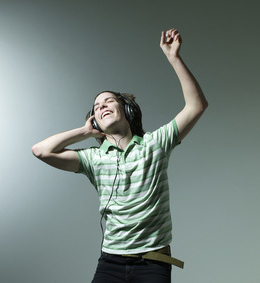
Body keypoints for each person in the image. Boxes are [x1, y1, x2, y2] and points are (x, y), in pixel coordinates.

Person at [32, 28, 208, 283]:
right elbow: (41, 151)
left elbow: (196, 106)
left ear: (127, 110)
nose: (101, 105)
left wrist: (174, 58)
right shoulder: (92, 159)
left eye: (108, 101)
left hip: (153, 261)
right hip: (110, 262)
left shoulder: (155, 143)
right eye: (96, 106)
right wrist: (84, 131)